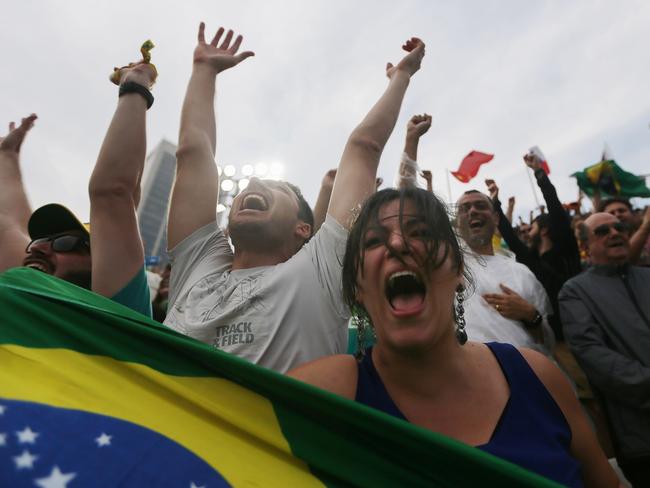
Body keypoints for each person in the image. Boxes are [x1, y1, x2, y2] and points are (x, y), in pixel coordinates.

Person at [289, 187, 619, 487]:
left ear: (458, 271)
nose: (398, 244)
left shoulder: (538, 375)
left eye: (420, 232)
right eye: (373, 241)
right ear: (358, 287)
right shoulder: (327, 393)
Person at [163, 23, 425, 372]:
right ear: (226, 232)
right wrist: (204, 72)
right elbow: (193, 153)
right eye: (250, 185)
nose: (253, 180)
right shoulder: (199, 263)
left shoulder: (322, 270)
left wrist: (402, 76)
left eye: (277, 187)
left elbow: (364, 147)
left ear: (304, 229)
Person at [560, 212, 650, 486]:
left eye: (619, 227)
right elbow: (594, 356)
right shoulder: (574, 292)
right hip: (641, 437)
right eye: (602, 231)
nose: (614, 233)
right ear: (586, 245)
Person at [87, 55, 157, 317]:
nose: (40, 247)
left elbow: (114, 194)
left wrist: (136, 85)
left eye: (65, 243)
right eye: (41, 241)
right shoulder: (17, 289)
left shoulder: (113, 320)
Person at [485, 150, 581, 341]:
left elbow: (554, 206)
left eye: (533, 227)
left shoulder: (565, 249)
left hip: (582, 327)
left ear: (545, 230)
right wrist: (495, 201)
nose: (528, 232)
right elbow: (510, 237)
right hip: (553, 336)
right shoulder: (532, 259)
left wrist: (539, 173)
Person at [455, 190, 555, 355]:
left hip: (527, 373)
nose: (472, 211)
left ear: (496, 218)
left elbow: (548, 343)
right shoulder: (446, 267)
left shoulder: (521, 273)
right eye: (464, 209)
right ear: (457, 223)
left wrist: (531, 316)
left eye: (480, 205)